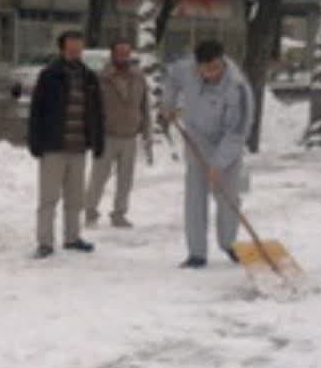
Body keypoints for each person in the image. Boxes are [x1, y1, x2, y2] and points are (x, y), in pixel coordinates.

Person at [159, 40, 254, 268]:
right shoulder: (186, 69)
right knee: (194, 198)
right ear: (197, 65)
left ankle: (229, 244)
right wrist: (168, 103)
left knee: (228, 198)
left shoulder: (238, 87)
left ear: (223, 61)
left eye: (216, 68)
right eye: (206, 69)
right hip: (196, 140)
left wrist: (218, 164)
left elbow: (237, 132)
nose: (211, 74)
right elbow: (172, 78)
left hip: (226, 142)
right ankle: (197, 253)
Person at [27, 30, 104, 258]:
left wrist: (97, 140)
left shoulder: (89, 76)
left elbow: (97, 112)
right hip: (53, 147)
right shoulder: (49, 75)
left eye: (79, 48)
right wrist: (35, 141)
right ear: (62, 49)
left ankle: (72, 237)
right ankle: (45, 242)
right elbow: (36, 111)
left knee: (75, 199)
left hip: (79, 147)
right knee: (48, 199)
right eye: (71, 48)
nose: (75, 52)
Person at [85, 38, 152, 229]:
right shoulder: (102, 78)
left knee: (125, 180)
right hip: (107, 135)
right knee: (98, 177)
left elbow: (145, 106)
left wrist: (146, 130)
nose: (124, 56)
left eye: (127, 52)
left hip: (130, 136)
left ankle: (119, 213)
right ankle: (90, 212)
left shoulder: (138, 77)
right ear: (112, 54)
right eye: (120, 52)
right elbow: (92, 108)